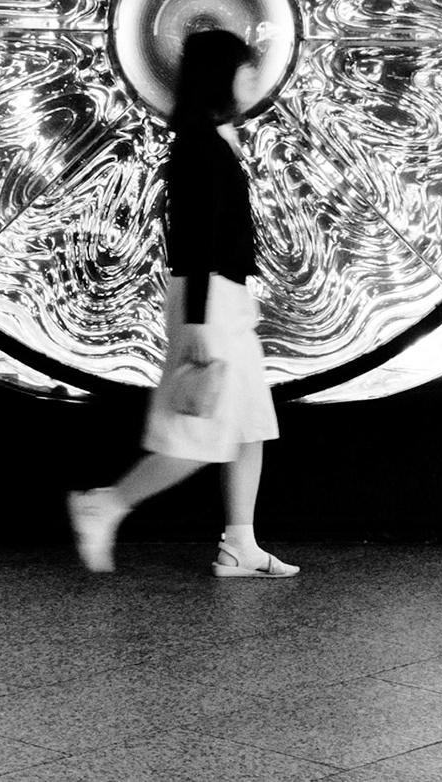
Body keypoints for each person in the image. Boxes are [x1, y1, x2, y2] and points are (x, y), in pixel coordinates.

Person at [66, 28, 299, 578]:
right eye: (244, 69)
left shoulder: (211, 137)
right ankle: (104, 505)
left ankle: (240, 545)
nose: (251, 79)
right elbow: (193, 239)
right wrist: (196, 321)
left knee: (249, 426)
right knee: (196, 435)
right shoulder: (199, 144)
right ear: (222, 75)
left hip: (222, 295)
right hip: (208, 298)